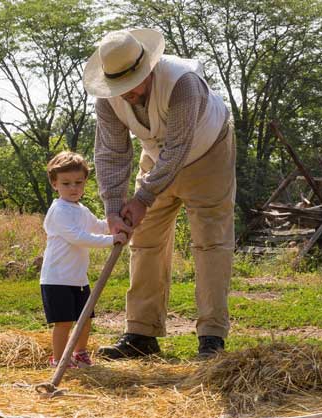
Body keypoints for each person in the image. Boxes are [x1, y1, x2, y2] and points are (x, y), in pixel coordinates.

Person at [83, 28, 236, 359]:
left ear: (148, 67)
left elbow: (179, 148)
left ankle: (212, 338)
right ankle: (142, 333)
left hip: (208, 153)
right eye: (118, 87)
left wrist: (141, 199)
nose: (126, 93)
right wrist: (113, 209)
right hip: (156, 157)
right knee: (145, 240)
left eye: (132, 83)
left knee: (210, 243)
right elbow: (111, 153)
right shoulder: (109, 98)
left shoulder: (183, 83)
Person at [40, 151, 127, 368]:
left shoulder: (80, 209)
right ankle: (59, 359)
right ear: (55, 184)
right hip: (57, 279)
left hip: (78, 279)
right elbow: (78, 238)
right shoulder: (58, 211)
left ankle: (80, 353)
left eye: (78, 182)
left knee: (85, 319)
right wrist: (112, 239)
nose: (73, 188)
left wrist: (117, 223)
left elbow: (97, 225)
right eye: (66, 183)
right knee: (63, 322)